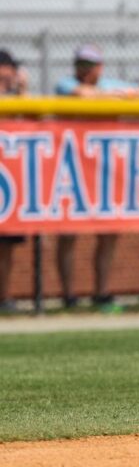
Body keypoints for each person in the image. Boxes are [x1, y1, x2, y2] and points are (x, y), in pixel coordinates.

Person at [55, 44, 139, 308]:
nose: (85, 70)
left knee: (109, 233)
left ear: (100, 66)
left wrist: (115, 94)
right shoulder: (65, 83)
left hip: (105, 170)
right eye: (81, 64)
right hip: (73, 168)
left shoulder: (109, 83)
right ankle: (68, 296)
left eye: (90, 65)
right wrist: (118, 96)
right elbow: (82, 95)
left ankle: (101, 292)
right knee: (69, 233)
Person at [0, 49, 27, 312]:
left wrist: (21, 92)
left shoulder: (17, 98)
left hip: (10, 183)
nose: (12, 74)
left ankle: (4, 296)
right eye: (8, 68)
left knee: (7, 245)